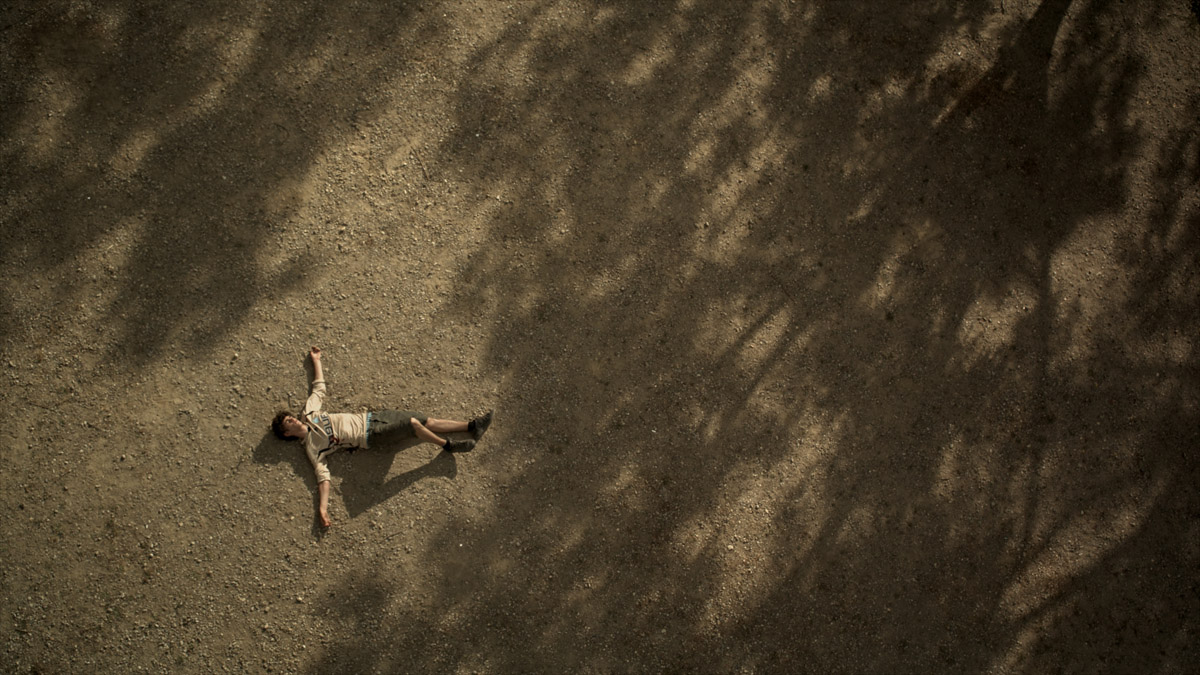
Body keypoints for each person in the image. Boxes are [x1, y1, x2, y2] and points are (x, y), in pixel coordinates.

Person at [271, 346, 492, 527]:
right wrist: (322, 508)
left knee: (425, 420)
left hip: (372, 418)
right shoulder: (312, 447)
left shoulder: (309, 412)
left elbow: (318, 389)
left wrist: (316, 360)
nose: (294, 420)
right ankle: (448, 445)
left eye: (291, 418)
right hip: (371, 436)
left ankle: (472, 426)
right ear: (287, 433)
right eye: (289, 423)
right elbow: (322, 476)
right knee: (413, 425)